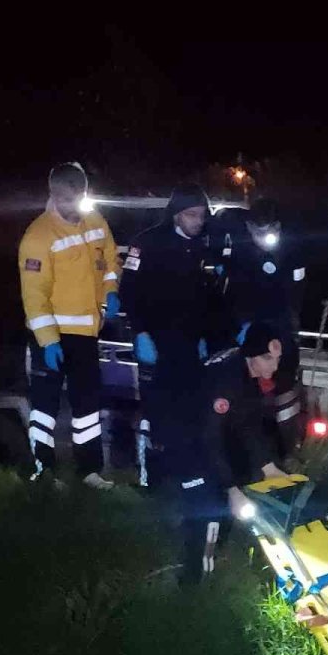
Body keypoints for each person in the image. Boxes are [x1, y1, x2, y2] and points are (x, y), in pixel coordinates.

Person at [18, 161, 121, 487]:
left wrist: (111, 291)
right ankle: (43, 471)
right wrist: (48, 341)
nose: (71, 207)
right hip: (50, 335)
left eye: (76, 200)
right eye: (64, 200)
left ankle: (89, 470)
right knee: (45, 406)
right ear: (53, 195)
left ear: (85, 193)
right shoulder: (37, 237)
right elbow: (34, 296)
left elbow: (110, 256)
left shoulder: (95, 221)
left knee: (88, 404)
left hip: (86, 332)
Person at [160, 323, 286, 581]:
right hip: (185, 443)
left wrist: (269, 467)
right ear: (252, 355)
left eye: (278, 359)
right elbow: (209, 437)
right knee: (209, 508)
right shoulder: (226, 380)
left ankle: (213, 555)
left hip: (205, 437)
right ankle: (196, 583)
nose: (274, 366)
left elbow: (248, 425)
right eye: (268, 359)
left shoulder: (247, 374)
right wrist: (231, 488)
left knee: (229, 494)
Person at [121, 185, 224, 485]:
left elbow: (207, 297)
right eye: (192, 215)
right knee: (155, 415)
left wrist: (205, 335)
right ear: (176, 214)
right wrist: (140, 332)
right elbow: (129, 290)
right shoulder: (148, 243)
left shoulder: (202, 247)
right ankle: (148, 479)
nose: (198, 221)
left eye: (202, 216)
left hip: (189, 345)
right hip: (155, 341)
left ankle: (184, 477)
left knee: (189, 413)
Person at [218, 197, 307, 462]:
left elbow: (297, 293)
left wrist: (288, 330)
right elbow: (232, 294)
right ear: (248, 228)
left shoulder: (292, 251)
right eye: (258, 232)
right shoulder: (239, 252)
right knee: (251, 396)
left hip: (282, 331)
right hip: (250, 334)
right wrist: (242, 328)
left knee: (285, 394)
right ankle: (254, 458)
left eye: (270, 231)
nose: (264, 237)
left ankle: (289, 453)